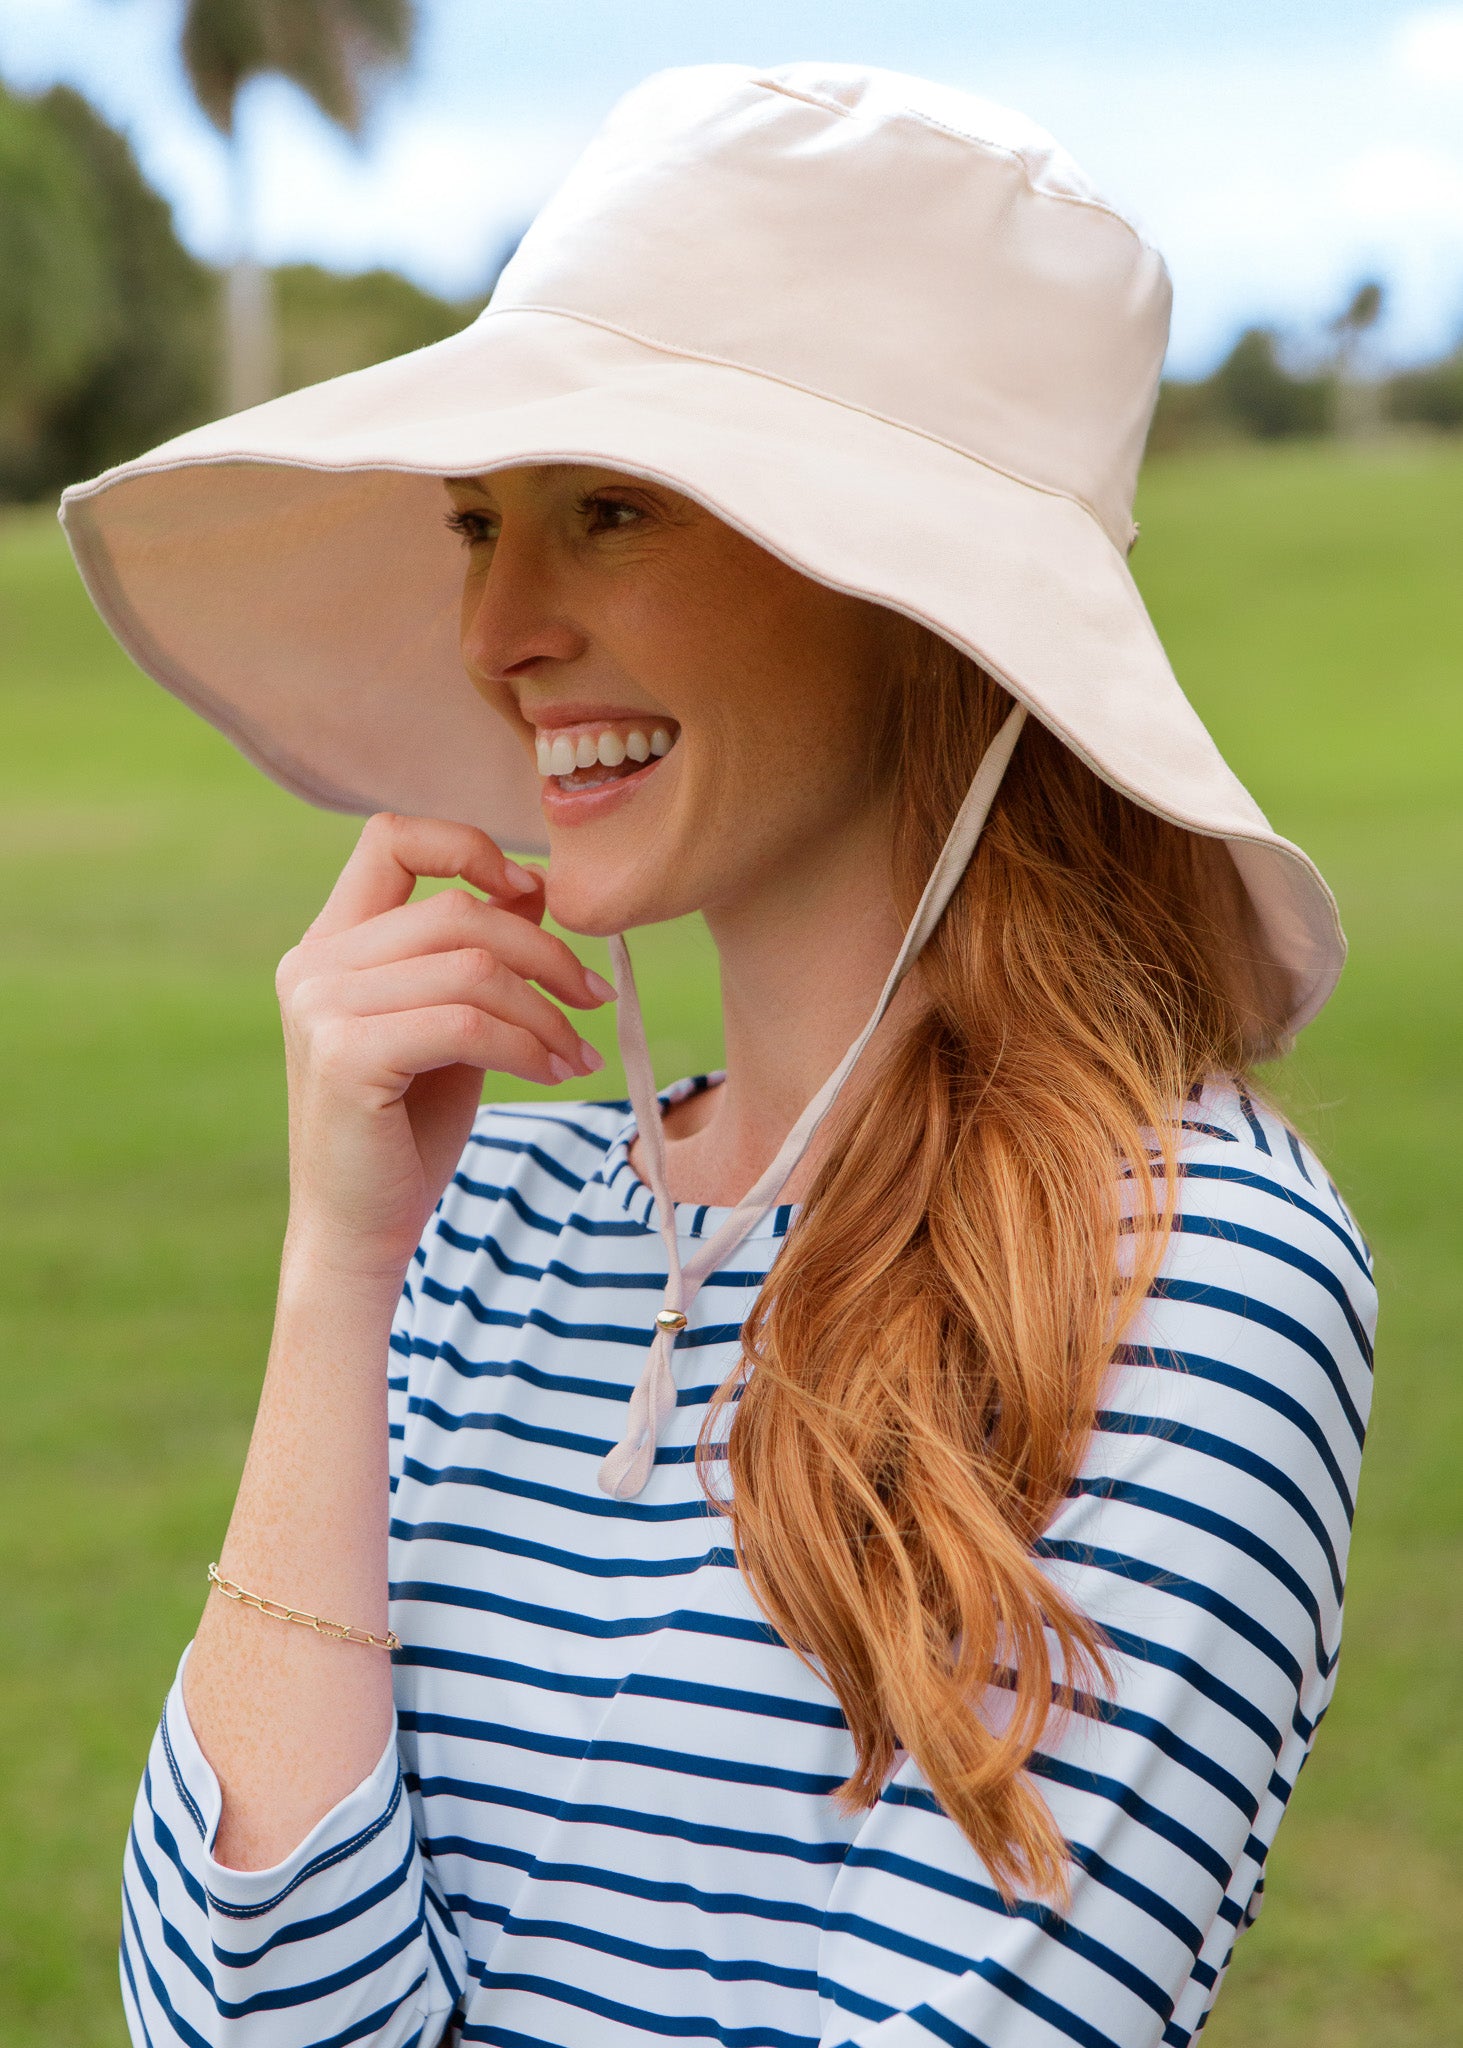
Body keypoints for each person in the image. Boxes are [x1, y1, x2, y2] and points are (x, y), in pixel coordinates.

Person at [62, 63, 1376, 2048]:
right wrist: (336, 1273)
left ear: (916, 600)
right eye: (479, 523)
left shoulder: (1185, 1272)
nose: (499, 627)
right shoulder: (475, 1217)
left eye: (608, 512)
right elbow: (230, 2015)